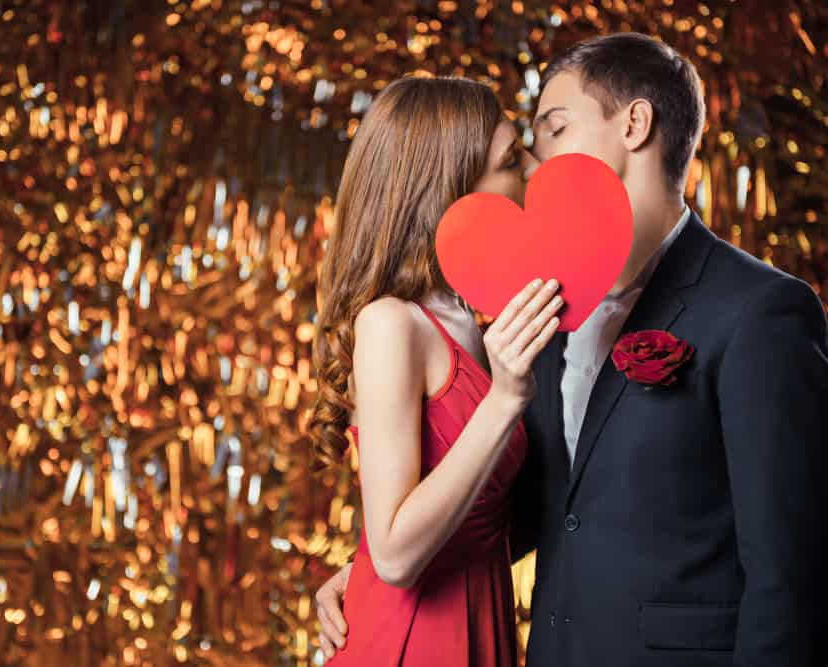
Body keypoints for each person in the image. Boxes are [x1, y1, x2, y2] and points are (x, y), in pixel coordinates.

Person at [316, 33, 828, 667]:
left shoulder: (760, 312)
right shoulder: (539, 311)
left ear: (635, 126)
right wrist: (369, 570)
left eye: (552, 130)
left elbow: (791, 573)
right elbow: (530, 505)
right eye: (521, 150)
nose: (536, 164)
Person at [307, 75, 555, 665]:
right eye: (510, 159)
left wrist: (354, 567)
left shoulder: (471, 317)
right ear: (453, 190)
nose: (531, 169)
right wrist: (505, 399)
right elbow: (395, 557)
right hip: (413, 638)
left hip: (481, 614)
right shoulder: (392, 323)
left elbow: (473, 511)